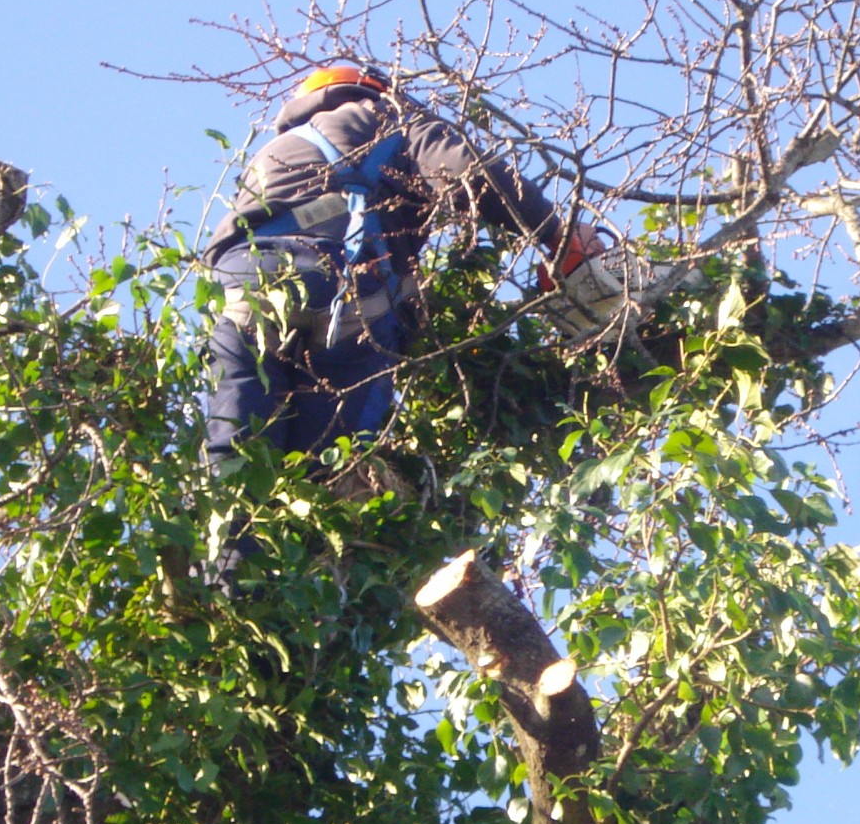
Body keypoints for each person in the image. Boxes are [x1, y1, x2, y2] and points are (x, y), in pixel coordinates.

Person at [201, 58, 617, 582]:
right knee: (333, 477)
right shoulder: (391, 118)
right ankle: (311, 603)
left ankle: (229, 589)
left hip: (248, 290)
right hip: (344, 294)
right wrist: (556, 234)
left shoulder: (273, 151)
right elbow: (471, 175)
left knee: (239, 446)